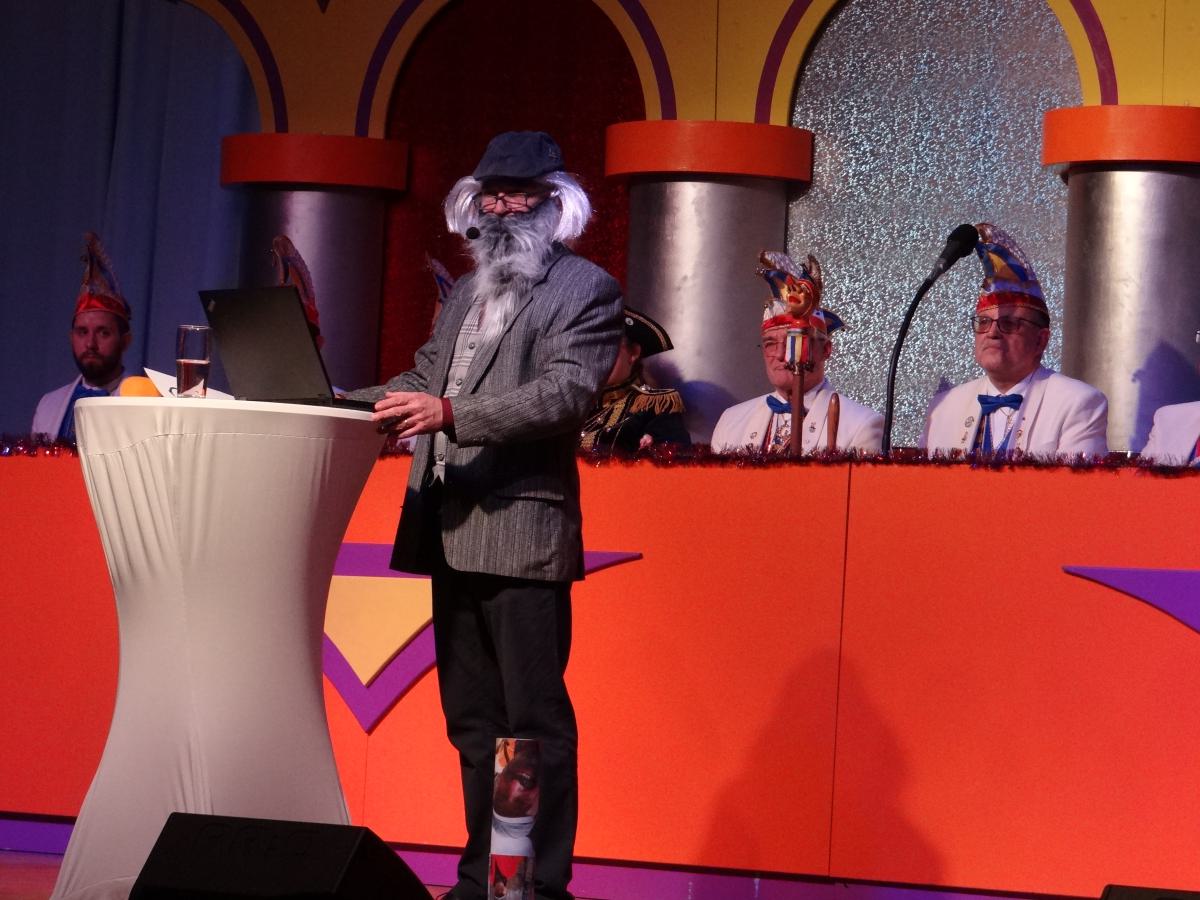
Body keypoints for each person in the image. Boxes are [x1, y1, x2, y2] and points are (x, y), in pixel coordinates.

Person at [345, 131, 622, 900]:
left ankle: (530, 887)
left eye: (516, 194)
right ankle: (485, 881)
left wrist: (451, 414)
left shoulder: (585, 289)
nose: (500, 208)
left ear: (552, 201)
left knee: (528, 729)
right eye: (490, 194)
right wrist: (331, 401)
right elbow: (423, 379)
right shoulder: (467, 293)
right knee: (473, 724)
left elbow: (565, 394)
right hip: (450, 527)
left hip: (522, 534)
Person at [921, 223, 1108, 459]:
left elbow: (1074, 484)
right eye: (983, 322)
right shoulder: (945, 407)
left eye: (1009, 323)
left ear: (1041, 340)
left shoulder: (1078, 402)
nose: (992, 332)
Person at [710, 250, 883, 454]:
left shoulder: (860, 425)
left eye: (794, 342)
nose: (781, 355)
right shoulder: (731, 423)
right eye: (770, 343)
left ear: (825, 350)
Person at [31, 233, 133, 441]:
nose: (90, 344)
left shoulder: (144, 404)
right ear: (71, 337)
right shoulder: (48, 405)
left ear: (125, 341)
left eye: (103, 332)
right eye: (82, 332)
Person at [579, 307, 690, 453]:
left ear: (634, 353)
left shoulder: (655, 408)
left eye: (606, 347)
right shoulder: (569, 406)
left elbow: (676, 463)